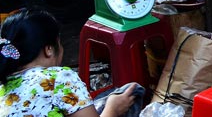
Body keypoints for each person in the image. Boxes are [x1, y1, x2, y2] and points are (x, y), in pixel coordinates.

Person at [0, 8, 136, 117]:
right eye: (60, 43)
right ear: (49, 49)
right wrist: (113, 109)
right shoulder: (58, 78)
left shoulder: (2, 88)